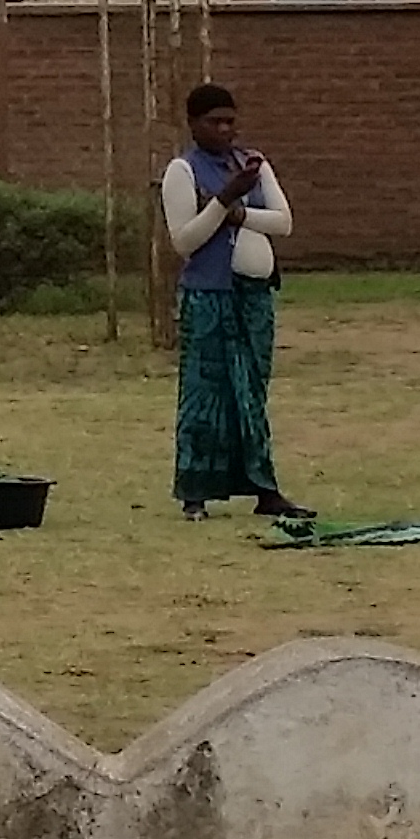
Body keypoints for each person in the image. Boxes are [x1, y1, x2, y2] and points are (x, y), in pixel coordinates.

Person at [160, 83, 306, 522]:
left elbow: (282, 222)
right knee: (207, 393)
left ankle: (264, 487)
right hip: (209, 296)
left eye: (230, 121)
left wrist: (236, 209)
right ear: (193, 124)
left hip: (254, 298)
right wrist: (224, 198)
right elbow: (185, 240)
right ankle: (196, 492)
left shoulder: (254, 165)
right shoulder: (182, 172)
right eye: (213, 122)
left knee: (250, 392)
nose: (224, 129)